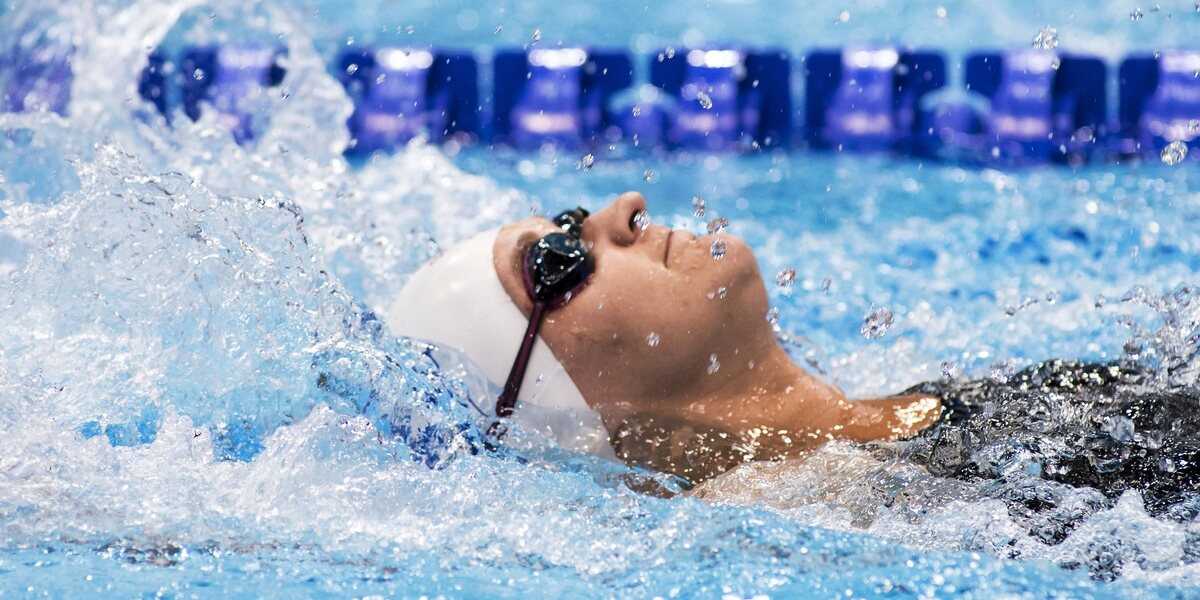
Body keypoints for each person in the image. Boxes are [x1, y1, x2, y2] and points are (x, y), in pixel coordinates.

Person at [387, 191, 942, 485]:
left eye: (570, 220)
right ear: (578, 412)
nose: (625, 206)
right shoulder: (905, 511)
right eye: (558, 262)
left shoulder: (922, 460)